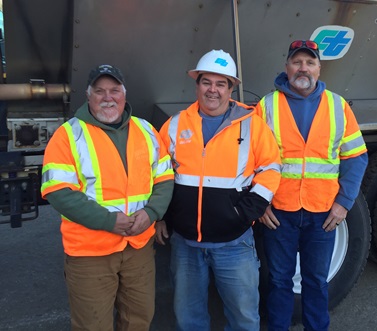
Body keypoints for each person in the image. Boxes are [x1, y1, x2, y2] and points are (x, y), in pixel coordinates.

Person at [41, 64, 174, 331]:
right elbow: (57, 192)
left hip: (138, 248)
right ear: (88, 96)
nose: (107, 97)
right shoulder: (68, 135)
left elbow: (164, 178)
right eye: (99, 91)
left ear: (125, 95)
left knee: (138, 319)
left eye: (114, 90)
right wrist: (107, 220)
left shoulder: (146, 130)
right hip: (91, 251)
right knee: (93, 325)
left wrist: (151, 214)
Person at [155, 49, 281, 331]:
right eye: (206, 82)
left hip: (234, 243)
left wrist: (245, 211)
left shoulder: (252, 126)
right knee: (189, 320)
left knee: (244, 319)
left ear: (231, 87)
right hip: (186, 244)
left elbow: (271, 169)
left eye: (221, 83)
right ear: (197, 84)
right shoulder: (175, 125)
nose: (213, 90)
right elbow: (159, 174)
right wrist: (160, 216)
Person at [255, 40, 368, 330]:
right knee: (279, 281)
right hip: (279, 213)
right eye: (297, 62)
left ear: (319, 68)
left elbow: (356, 157)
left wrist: (344, 203)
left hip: (323, 213)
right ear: (287, 67)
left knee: (316, 281)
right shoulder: (267, 106)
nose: (302, 68)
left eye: (309, 62)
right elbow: (248, 159)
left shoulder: (338, 106)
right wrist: (260, 202)